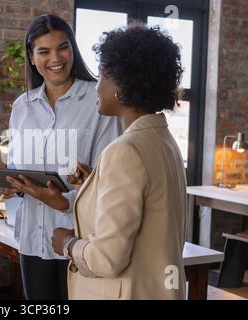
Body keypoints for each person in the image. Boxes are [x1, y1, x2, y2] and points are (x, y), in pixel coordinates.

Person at [52, 25, 188, 299]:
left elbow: (107, 259)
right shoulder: (164, 141)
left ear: (122, 87)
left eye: (102, 76)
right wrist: (92, 187)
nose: (97, 86)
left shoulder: (124, 151)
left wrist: (67, 243)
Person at [3, 14, 120, 300]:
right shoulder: (22, 106)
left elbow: (109, 178)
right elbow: (17, 166)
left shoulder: (98, 101)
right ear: (32, 57)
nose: (55, 58)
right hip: (32, 239)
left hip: (79, 237)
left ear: (73, 49)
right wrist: (14, 186)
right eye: (44, 51)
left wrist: (63, 201)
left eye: (63, 47)